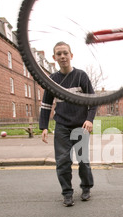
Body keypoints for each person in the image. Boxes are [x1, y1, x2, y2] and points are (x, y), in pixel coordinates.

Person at [39, 42, 98, 207]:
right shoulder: (52, 80)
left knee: (83, 160)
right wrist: (44, 126)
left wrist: (89, 119)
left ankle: (86, 187)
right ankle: (67, 193)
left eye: (65, 53)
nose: (62, 56)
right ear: (54, 58)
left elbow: (93, 101)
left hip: (80, 126)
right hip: (62, 126)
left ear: (71, 55)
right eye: (59, 54)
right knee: (63, 161)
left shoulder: (81, 76)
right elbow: (46, 104)